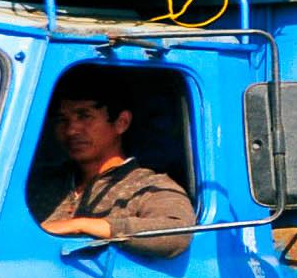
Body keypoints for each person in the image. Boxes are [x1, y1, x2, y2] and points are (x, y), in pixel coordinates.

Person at [37, 80, 192, 258]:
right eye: (63, 120)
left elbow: (177, 234)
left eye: (84, 116)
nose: (71, 130)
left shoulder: (147, 186)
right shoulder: (40, 182)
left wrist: (81, 225)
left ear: (121, 122)